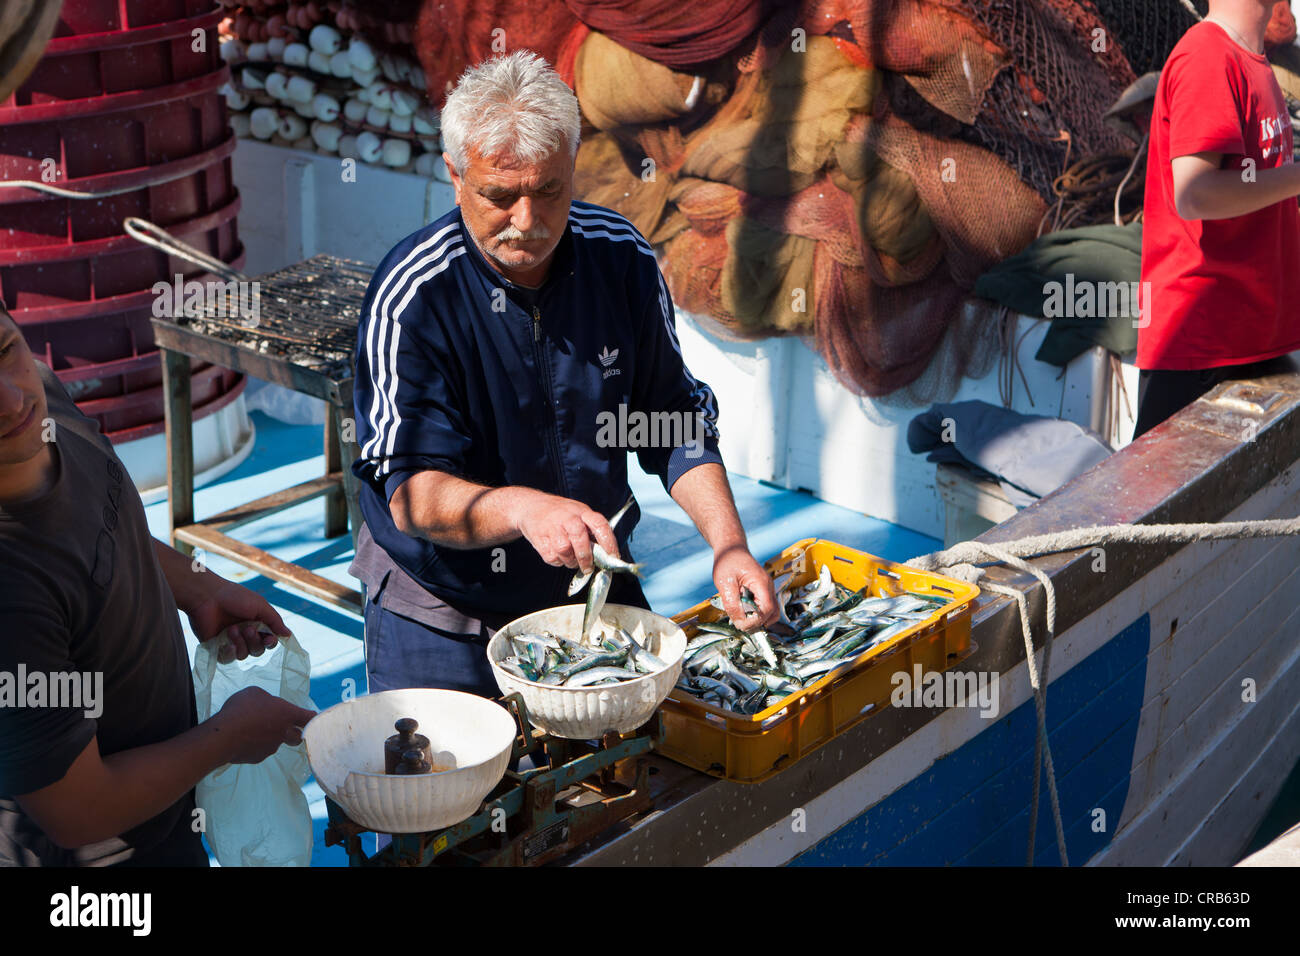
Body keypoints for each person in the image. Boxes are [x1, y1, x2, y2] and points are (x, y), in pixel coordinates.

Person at [350, 51, 778, 698]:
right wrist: (525, 510)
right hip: (444, 610)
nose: (527, 220)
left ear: (574, 168)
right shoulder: (415, 297)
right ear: (454, 176)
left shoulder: (621, 259)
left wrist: (729, 546)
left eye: (548, 190)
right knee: (440, 794)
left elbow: (672, 422)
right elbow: (411, 494)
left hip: (591, 581)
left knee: (624, 788)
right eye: (499, 195)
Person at [0, 304, 315, 866]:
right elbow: (76, 811)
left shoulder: (42, 403)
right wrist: (224, 739)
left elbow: (105, 519)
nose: (12, 400)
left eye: (5, 351)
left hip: (170, 812)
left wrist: (199, 587)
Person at [1136, 0, 1300, 437]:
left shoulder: (1254, 62)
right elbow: (1195, 192)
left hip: (1251, 339)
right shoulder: (1208, 55)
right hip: (1202, 352)